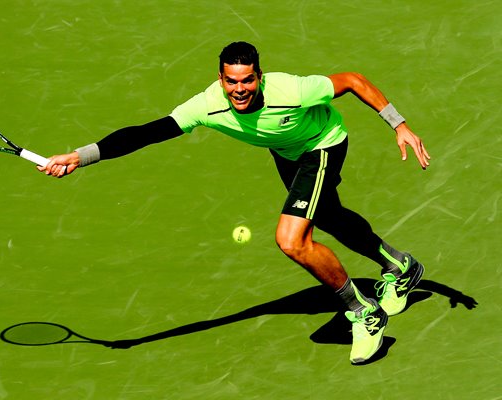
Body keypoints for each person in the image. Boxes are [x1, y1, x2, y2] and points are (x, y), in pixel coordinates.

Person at [39, 41, 430, 364]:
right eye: (231, 81)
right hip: (286, 153)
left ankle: (362, 311)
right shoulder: (206, 106)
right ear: (221, 80)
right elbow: (147, 133)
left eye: (247, 80)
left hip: (322, 145)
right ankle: (402, 266)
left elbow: (353, 81)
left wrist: (399, 124)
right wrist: (80, 156)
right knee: (327, 216)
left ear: (259, 77)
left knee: (292, 239)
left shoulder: (291, 90)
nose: (239, 89)